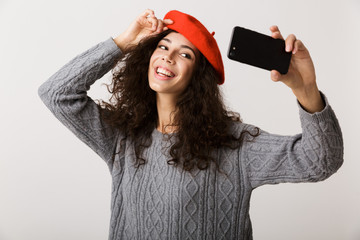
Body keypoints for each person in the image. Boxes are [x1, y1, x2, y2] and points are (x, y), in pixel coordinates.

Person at [38, 9, 344, 240]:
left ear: (198, 78)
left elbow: (320, 161)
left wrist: (306, 89)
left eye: (185, 54)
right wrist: (123, 42)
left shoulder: (235, 145)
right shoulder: (124, 138)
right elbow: (57, 94)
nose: (168, 56)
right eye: (162, 46)